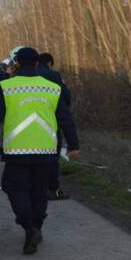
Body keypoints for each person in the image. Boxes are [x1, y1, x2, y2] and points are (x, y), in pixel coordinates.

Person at [0, 46, 79, 254]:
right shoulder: (52, 88)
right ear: (38, 63)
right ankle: (36, 228)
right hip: (47, 151)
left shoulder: (6, 86)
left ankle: (29, 226)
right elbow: (66, 118)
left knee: (14, 187)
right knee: (39, 192)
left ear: (17, 63)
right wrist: (74, 144)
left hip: (17, 151)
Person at [38, 52, 71, 201]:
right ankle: (53, 189)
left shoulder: (30, 76)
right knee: (52, 157)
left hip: (31, 122)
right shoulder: (54, 75)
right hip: (52, 121)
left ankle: (37, 188)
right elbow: (65, 95)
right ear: (50, 62)